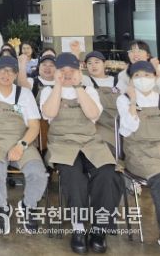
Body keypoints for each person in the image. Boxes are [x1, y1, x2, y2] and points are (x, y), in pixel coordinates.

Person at [41, 52, 122, 254]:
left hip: (90, 142)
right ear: (57, 72)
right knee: (73, 176)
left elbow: (93, 114)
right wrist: (58, 85)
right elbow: (49, 113)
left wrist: (78, 87)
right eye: (62, 70)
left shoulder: (89, 90)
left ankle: (99, 228)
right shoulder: (48, 90)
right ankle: (78, 228)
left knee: (108, 173)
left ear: (79, 71)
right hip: (62, 145)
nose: (67, 73)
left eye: (72, 70)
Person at [0, 55, 47, 234]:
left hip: (21, 140)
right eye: (2, 70)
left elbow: (34, 126)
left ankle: (28, 206)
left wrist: (21, 145)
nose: (6, 74)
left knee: (38, 173)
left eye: (11, 71)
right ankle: (3, 207)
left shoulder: (25, 94)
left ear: (16, 74)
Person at [117, 60, 160, 246]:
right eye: (137, 75)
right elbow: (128, 129)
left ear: (155, 77)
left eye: (147, 75)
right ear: (131, 80)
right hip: (139, 153)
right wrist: (133, 101)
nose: (143, 79)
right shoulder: (124, 100)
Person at [81, 51, 118, 151]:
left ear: (104, 64)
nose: (93, 65)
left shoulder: (117, 80)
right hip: (99, 125)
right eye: (89, 63)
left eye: (97, 62)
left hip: (118, 123)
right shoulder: (86, 81)